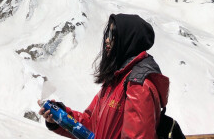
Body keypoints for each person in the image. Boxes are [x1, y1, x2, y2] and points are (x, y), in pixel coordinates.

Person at [38, 13, 169, 139]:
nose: (107, 40)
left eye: (113, 34)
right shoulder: (115, 81)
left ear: (128, 39)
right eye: (107, 34)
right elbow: (90, 126)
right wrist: (61, 116)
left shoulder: (138, 85)